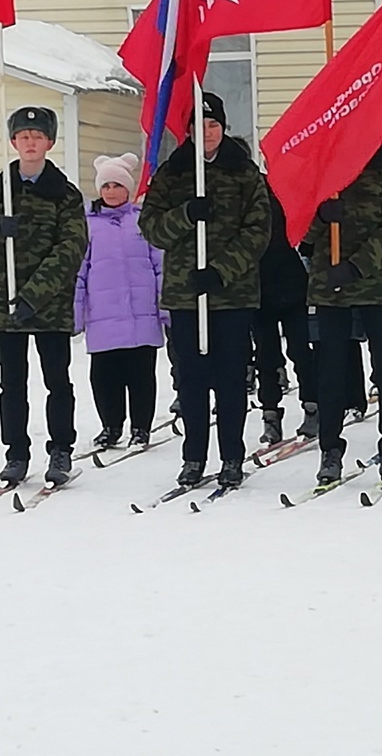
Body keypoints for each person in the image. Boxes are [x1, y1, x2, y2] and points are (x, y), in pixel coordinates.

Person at [139, 92, 270, 489]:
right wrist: (185, 215)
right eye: (200, 126)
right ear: (189, 130)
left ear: (223, 128)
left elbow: (258, 231)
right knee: (191, 380)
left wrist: (221, 270)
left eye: (214, 125)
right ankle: (193, 456)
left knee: (231, 380)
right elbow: (150, 226)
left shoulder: (244, 173)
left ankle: (232, 455)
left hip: (231, 295)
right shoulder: (174, 172)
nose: (208, 133)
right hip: (185, 294)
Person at [0, 105, 88, 486]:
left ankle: (61, 449)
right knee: (12, 382)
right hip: (5, 303)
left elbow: (71, 247)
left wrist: (35, 295)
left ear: (49, 142)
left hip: (47, 304)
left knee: (57, 379)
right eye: (23, 136)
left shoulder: (64, 194)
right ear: (13, 142)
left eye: (37, 137)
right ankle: (15, 453)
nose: (30, 143)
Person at [304, 147, 382, 486]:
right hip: (330, 283)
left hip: (376, 282)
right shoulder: (322, 165)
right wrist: (320, 218)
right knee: (332, 370)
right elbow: (298, 233)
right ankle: (330, 449)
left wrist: (357, 266)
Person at [74, 153, 166, 451]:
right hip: (103, 317)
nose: (111, 191)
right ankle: (111, 426)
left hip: (141, 315)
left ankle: (141, 427)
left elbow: (161, 266)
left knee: (141, 375)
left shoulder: (143, 222)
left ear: (127, 188)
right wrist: (75, 312)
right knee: (104, 377)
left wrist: (165, 307)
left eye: (117, 185)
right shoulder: (86, 226)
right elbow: (79, 272)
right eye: (106, 186)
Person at [253, 158, 319, 445]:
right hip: (256, 286)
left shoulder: (284, 190)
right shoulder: (243, 193)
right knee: (266, 355)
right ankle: (270, 414)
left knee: (301, 350)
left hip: (291, 283)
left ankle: (313, 406)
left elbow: (305, 235)